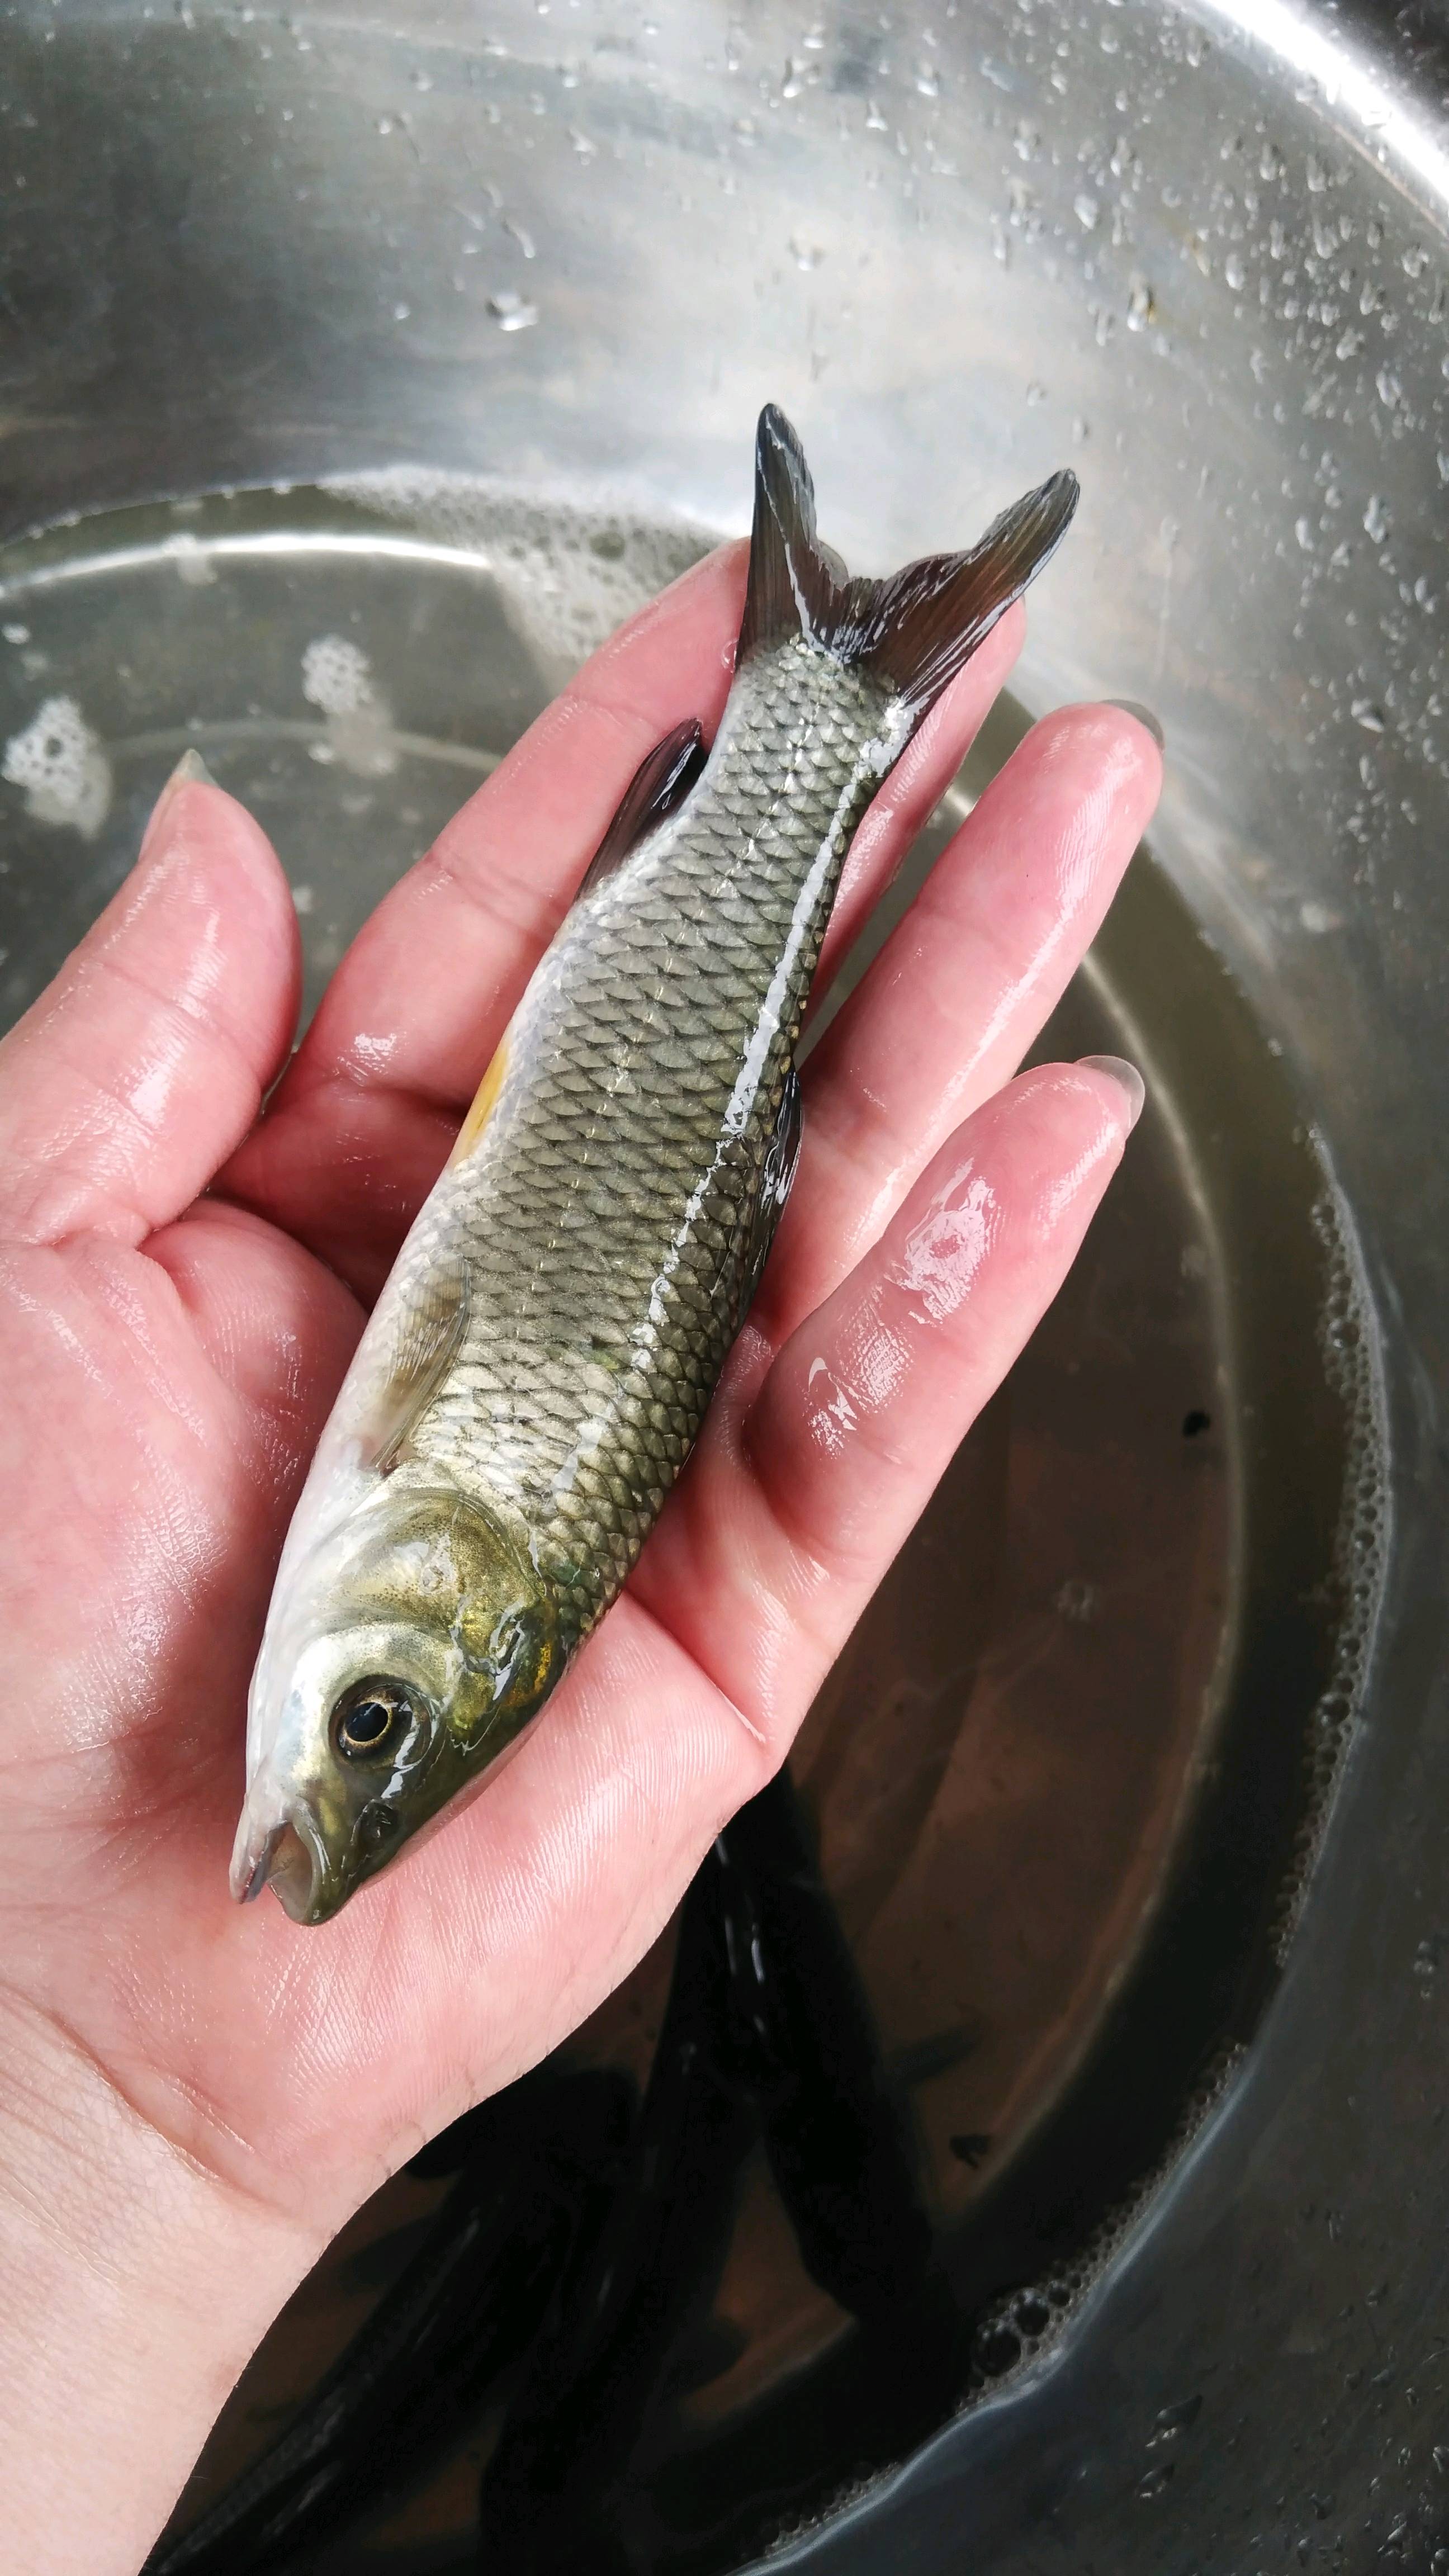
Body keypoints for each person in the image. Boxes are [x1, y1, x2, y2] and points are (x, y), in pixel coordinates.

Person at [0, 537, 1159, 2574]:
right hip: (641, 1108)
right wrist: (81, 2109)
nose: (312, 1768)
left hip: (626, 1115)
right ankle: (829, 703)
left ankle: (824, 701)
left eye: (372, 1725)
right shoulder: (430, 1529)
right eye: (376, 1717)